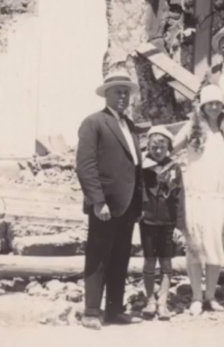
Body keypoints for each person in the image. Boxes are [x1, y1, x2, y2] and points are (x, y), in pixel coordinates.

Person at [75, 70, 145, 330]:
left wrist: (138, 204)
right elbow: (85, 166)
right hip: (105, 205)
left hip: (127, 206)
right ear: (106, 94)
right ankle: (92, 311)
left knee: (120, 257)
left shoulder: (130, 126)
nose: (123, 96)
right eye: (118, 91)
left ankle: (115, 309)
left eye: (126, 92)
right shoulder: (94, 123)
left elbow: (133, 166)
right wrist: (98, 200)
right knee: (98, 256)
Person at [170, 84, 224, 316]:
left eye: (218, 103)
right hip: (196, 196)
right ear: (202, 105)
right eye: (210, 103)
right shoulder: (192, 127)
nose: (214, 107)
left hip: (221, 196)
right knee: (196, 247)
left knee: (216, 246)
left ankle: (211, 296)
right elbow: (170, 147)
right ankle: (196, 297)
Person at [139, 126, 181, 321]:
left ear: (168, 147)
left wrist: (180, 225)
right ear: (148, 146)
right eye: (154, 147)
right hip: (147, 220)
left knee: (166, 260)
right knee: (149, 259)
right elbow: (137, 191)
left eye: (162, 147)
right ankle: (149, 300)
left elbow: (180, 197)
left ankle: (162, 303)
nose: (158, 151)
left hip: (167, 221)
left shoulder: (174, 167)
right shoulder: (142, 166)